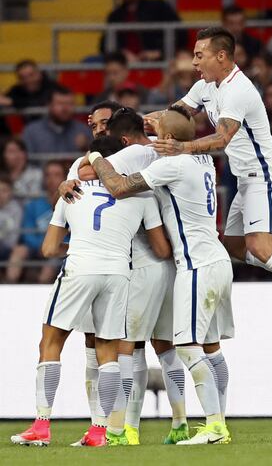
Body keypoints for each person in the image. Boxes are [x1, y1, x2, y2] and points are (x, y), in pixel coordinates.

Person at [147, 27, 272, 343]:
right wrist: (133, 123)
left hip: (265, 175)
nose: (194, 62)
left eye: (199, 55)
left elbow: (222, 138)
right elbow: (172, 116)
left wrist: (181, 147)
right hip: (245, 178)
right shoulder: (205, 86)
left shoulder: (240, 90)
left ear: (220, 56)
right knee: (235, 246)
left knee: (260, 247)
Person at [79, 105, 234, 445]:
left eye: (159, 129)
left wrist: (94, 153)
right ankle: (213, 421)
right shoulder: (202, 158)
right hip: (215, 259)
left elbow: (117, 186)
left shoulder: (172, 163)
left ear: (167, 139)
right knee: (208, 347)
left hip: (195, 265)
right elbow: (172, 135)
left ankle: (212, 426)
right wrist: (158, 127)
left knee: (183, 346)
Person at [10, 138, 169, 448]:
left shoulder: (70, 192)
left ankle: (41, 426)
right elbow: (162, 248)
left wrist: (83, 241)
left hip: (81, 269)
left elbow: (48, 249)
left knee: (51, 342)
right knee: (107, 352)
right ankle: (99, 432)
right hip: (119, 274)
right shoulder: (144, 196)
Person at [61, 107, 190, 446]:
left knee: (124, 348)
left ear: (120, 133)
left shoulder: (128, 156)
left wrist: (76, 173)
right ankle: (179, 422)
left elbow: (89, 172)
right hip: (172, 262)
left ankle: (121, 429)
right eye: (93, 125)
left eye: (104, 124)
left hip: (134, 263)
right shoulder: (164, 153)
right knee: (164, 346)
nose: (98, 130)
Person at [6, 160, 66, 284]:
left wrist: (51, 245)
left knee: (51, 260)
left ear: (65, 178)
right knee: (19, 251)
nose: (51, 179)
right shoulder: (34, 204)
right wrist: (41, 245)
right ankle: (8, 288)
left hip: (60, 247)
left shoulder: (71, 203)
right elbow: (27, 233)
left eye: (56, 175)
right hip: (36, 247)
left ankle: (41, 293)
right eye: (48, 175)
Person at [103, 0, 186, 62]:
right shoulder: (114, 16)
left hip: (158, 63)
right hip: (124, 66)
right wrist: (121, 54)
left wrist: (159, 53)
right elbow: (103, 44)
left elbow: (181, 35)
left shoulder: (159, 7)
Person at [23, 86, 92, 154]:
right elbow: (27, 162)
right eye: (60, 103)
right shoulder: (32, 131)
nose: (65, 108)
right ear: (49, 105)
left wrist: (86, 147)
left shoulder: (83, 130)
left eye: (69, 104)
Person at [0, 174, 22, 261]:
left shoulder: (16, 209)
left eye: (4, 190)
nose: (0, 194)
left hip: (8, 247)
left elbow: (14, 238)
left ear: (10, 192)